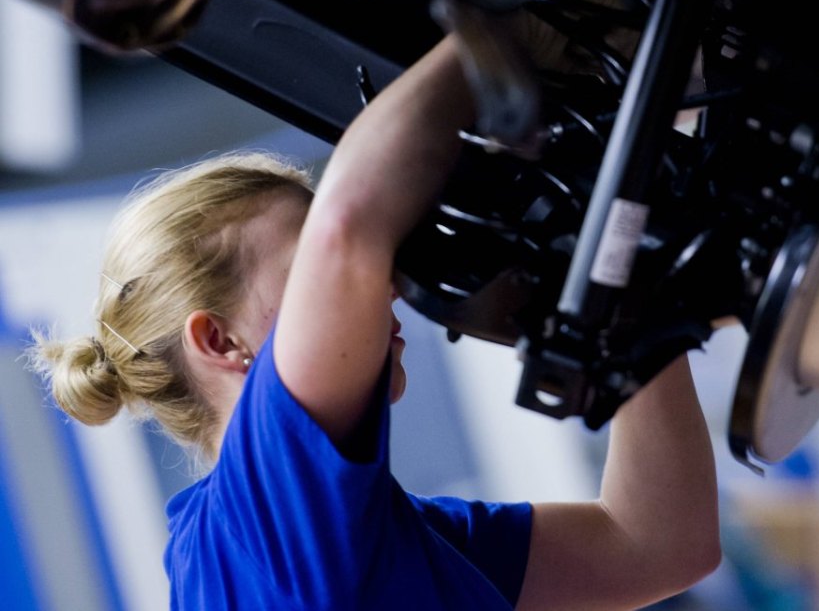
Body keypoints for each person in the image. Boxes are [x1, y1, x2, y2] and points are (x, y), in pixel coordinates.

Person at [29, 35, 721, 610]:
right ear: (219, 341)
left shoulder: (340, 543)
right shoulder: (257, 534)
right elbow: (350, 228)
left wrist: (624, 296)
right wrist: (508, 29)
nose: (383, 286)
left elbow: (654, 543)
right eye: (307, 283)